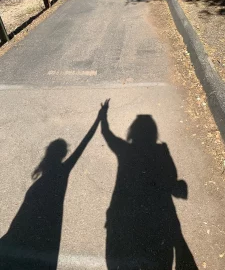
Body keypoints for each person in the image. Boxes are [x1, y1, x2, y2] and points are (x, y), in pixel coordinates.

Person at [100, 99, 198, 270]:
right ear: (153, 133)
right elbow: (172, 179)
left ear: (132, 133)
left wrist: (103, 114)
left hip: (125, 216)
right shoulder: (162, 151)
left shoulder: (124, 149)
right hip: (156, 218)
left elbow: (106, 133)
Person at [0, 110, 102, 270]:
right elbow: (83, 145)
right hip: (42, 230)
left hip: (27, 228)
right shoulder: (61, 170)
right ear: (62, 154)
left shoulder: (48, 170)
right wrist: (99, 119)